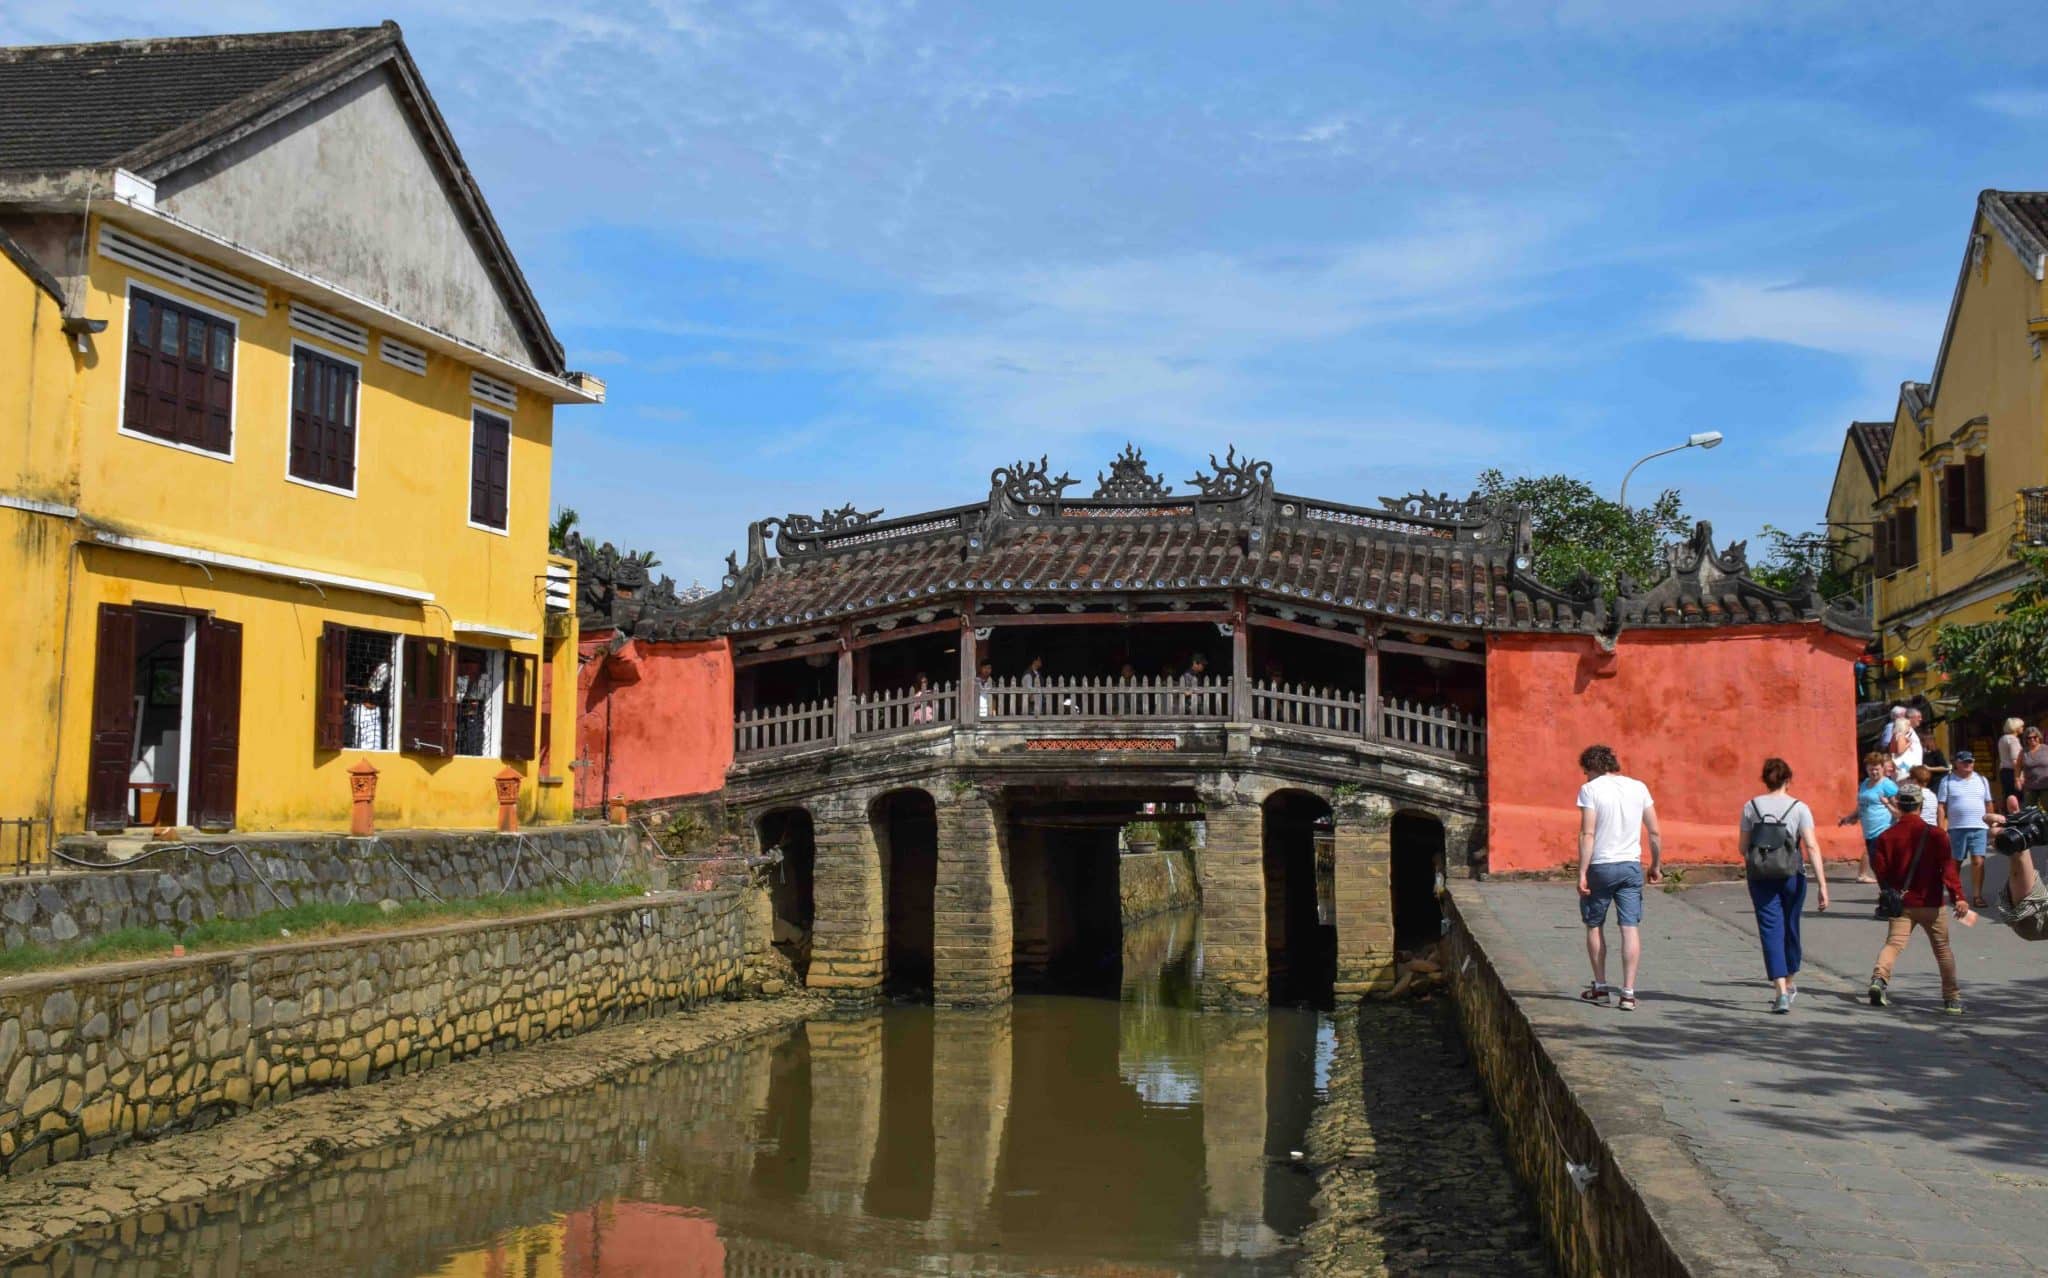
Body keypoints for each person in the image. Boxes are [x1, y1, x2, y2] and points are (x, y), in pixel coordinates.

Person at [1867, 781, 1974, 1014]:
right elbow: (1948, 869)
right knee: (1943, 949)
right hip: (1931, 903)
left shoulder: (1886, 836)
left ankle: (1879, 980)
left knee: (1894, 944)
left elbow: (1880, 869)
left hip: (1901, 903)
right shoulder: (1936, 835)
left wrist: (1889, 891)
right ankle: (1952, 999)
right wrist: (1959, 897)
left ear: (1898, 804)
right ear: (1920, 804)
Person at [1575, 744, 1663, 1012]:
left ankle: (1601, 987)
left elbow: (1587, 834)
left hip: (1601, 865)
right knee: (1629, 927)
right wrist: (1656, 865)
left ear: (1591, 768)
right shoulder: (1639, 787)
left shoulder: (1590, 790)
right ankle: (1627, 993)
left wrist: (1581, 871)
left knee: (1594, 925)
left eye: (1585, 772)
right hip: (1630, 865)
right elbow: (1655, 832)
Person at [1739, 758, 1829, 1013]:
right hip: (1793, 874)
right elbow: (1811, 846)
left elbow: (1742, 847)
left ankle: (1780, 990)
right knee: (1791, 926)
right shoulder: (1800, 808)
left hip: (1760, 875)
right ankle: (1789, 982)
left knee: (1770, 929)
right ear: (1789, 780)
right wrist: (1822, 884)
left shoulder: (1751, 806)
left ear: (1765, 780)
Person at [1937, 751, 1995, 909]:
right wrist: (1941, 828)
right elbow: (1941, 806)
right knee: (1955, 863)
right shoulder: (1947, 780)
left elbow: (1988, 803)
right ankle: (1956, 894)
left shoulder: (1982, 780)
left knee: (1978, 861)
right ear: (1956, 763)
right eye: (1964, 762)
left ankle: (1977, 896)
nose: (1968, 764)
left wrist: (1992, 826)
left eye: (1970, 761)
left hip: (1979, 827)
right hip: (1956, 828)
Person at [1836, 751, 1896, 884]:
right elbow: (1861, 806)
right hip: (1869, 832)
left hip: (1883, 831)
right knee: (1876, 865)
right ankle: (1887, 893)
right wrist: (1849, 818)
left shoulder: (1887, 785)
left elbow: (1897, 808)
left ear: (1882, 768)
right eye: (1870, 769)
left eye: (1877, 769)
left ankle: (1890, 893)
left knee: (1881, 865)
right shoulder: (1865, 783)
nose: (1874, 772)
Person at [1997, 717, 2026, 805]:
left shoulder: (2003, 738)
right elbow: (2015, 760)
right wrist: (2020, 776)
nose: (2022, 728)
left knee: (2008, 797)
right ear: (2016, 728)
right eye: (2021, 726)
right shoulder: (2013, 740)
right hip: (2013, 772)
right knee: (2017, 799)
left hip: (2004, 772)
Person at [1889, 706, 1924, 777]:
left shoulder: (1908, 731)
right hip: (1905, 770)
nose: (1921, 719)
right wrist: (1909, 743)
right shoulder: (1904, 731)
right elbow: (1899, 750)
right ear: (1910, 718)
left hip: (1908, 769)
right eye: (1918, 717)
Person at [2022, 726, 2048, 812]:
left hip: (2045, 785)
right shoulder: (2023, 751)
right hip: (2030, 786)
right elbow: (2017, 766)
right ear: (2026, 739)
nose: (2032, 739)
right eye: (2029, 738)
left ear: (2039, 737)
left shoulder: (2046, 749)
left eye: (2035, 737)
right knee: (2028, 810)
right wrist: (2017, 778)